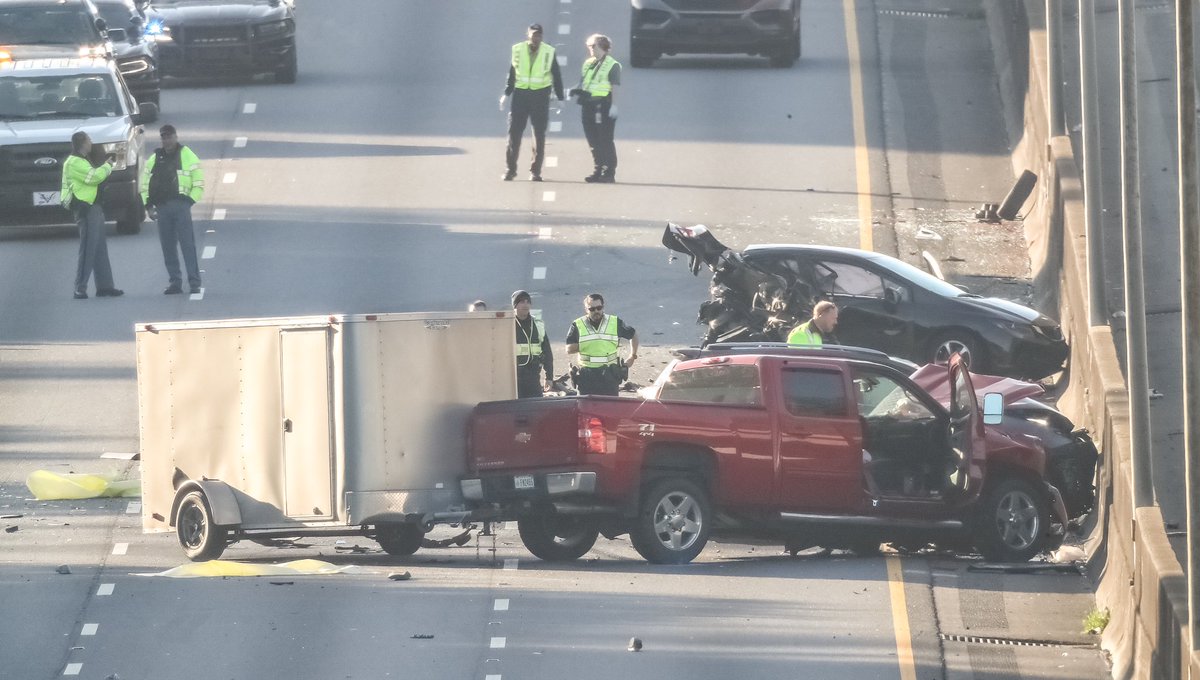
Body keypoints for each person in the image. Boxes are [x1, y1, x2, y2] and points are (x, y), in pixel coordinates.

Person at [141, 124, 204, 295]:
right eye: (164, 137)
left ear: (176, 136)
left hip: (181, 206)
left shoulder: (187, 155)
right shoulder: (155, 157)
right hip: (162, 208)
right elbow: (145, 184)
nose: (167, 140)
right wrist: (148, 206)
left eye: (169, 137)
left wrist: (189, 201)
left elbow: (198, 182)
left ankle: (194, 282)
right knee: (168, 247)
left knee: (187, 246)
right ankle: (175, 282)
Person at [61, 131, 122, 299]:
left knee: (99, 248)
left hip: (94, 207)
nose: (91, 143)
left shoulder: (82, 160)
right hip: (85, 209)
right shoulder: (75, 162)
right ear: (82, 143)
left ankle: (105, 286)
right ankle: (79, 287)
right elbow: (94, 178)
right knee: (88, 249)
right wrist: (108, 165)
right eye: (89, 140)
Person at [501, 23, 564, 182]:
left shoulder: (548, 52)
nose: (535, 38)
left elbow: (556, 75)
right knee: (514, 134)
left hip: (540, 97)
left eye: (538, 35)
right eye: (532, 34)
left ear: (541, 37)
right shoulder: (518, 49)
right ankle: (510, 169)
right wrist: (506, 94)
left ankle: (535, 171)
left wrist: (560, 97)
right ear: (527, 34)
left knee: (539, 135)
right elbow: (512, 73)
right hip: (520, 96)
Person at [566, 293, 638, 396]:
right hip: (587, 376)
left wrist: (632, 356)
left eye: (599, 308)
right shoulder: (578, 324)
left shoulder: (614, 322)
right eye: (592, 309)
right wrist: (591, 343)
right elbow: (569, 349)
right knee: (586, 408)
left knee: (610, 409)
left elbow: (633, 335)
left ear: (603, 307)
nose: (596, 311)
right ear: (586, 309)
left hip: (609, 375)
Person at [572, 34, 621, 183]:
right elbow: (583, 83)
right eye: (589, 46)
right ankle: (598, 169)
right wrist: (569, 92)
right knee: (593, 140)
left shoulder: (613, 65)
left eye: (592, 46)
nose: (590, 49)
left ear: (601, 46)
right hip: (588, 105)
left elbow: (615, 87)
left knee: (605, 139)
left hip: (603, 105)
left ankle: (609, 172)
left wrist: (614, 105)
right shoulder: (588, 63)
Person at [512, 290, 554, 398]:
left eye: (528, 302)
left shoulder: (537, 324)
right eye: (521, 302)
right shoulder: (508, 324)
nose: (525, 305)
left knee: (536, 410)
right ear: (515, 305)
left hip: (533, 377)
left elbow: (547, 352)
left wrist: (549, 377)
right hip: (513, 378)